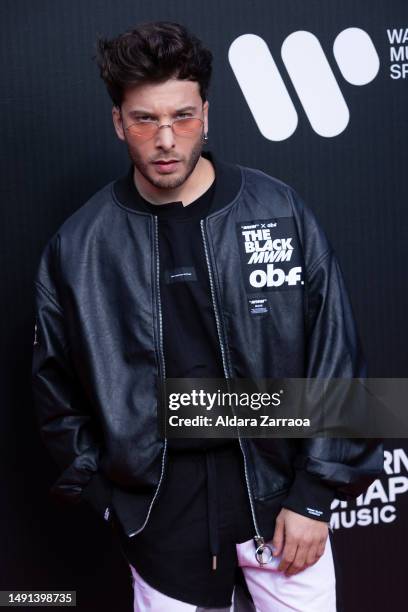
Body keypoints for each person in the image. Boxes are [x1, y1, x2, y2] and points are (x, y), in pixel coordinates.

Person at [31, 21, 383, 612]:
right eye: (145, 119)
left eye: (183, 116)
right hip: (163, 522)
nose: (166, 138)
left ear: (207, 115)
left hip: (282, 504)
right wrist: (110, 500)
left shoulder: (279, 209)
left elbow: (336, 358)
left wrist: (315, 495)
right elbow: (53, 390)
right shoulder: (79, 245)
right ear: (119, 122)